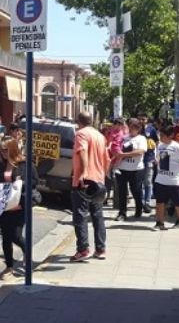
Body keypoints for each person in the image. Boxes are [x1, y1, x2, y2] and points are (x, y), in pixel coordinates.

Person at [70, 111, 110, 262]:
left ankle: (83, 249)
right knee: (97, 215)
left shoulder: (81, 134)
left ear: (78, 121)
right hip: (98, 180)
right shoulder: (100, 136)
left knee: (80, 216)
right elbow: (107, 160)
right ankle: (100, 249)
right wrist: (103, 176)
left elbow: (82, 151)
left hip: (84, 182)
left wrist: (84, 172)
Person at [0, 136, 27, 280]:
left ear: (13, 149)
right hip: (4, 207)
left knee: (16, 235)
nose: (3, 153)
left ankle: (27, 253)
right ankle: (9, 266)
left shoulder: (23, 164)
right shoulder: (0, 165)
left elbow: (34, 182)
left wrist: (21, 184)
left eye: (6, 150)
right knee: (6, 237)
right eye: (1, 151)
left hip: (19, 207)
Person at [153, 125, 179, 230]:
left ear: (170, 136)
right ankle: (160, 222)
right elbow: (158, 157)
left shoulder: (178, 147)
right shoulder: (159, 146)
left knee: (178, 202)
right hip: (161, 179)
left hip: (175, 180)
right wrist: (157, 162)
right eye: (161, 135)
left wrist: (178, 172)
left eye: (163, 135)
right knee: (160, 201)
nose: (161, 137)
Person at [114, 118, 147, 220]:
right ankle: (122, 213)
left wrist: (124, 154)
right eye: (130, 128)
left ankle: (139, 209)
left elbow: (140, 151)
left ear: (138, 129)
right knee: (122, 191)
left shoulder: (141, 139)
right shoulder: (124, 137)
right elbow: (116, 148)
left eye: (134, 128)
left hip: (136, 169)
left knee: (136, 190)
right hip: (122, 169)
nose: (131, 130)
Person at [139, 114, 159, 214]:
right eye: (140, 119)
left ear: (147, 119)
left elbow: (157, 142)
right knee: (140, 182)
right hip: (138, 159)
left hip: (149, 158)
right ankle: (141, 202)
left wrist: (156, 156)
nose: (142, 121)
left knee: (148, 181)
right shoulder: (137, 129)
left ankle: (147, 202)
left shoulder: (151, 129)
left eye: (144, 119)